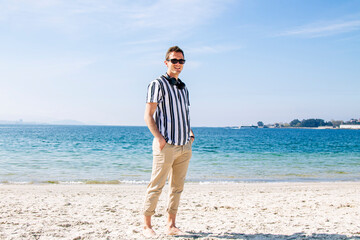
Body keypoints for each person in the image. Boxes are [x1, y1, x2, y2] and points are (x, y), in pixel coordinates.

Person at [143, 46, 195, 237]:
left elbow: (183, 114)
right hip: (166, 146)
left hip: (184, 145)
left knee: (177, 187)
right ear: (166, 62)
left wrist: (190, 133)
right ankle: (147, 225)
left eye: (181, 61)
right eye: (174, 60)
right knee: (156, 186)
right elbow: (148, 115)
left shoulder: (184, 87)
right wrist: (159, 138)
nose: (178, 64)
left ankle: (171, 224)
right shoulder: (157, 84)